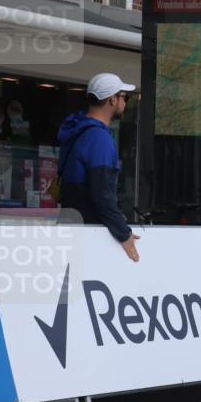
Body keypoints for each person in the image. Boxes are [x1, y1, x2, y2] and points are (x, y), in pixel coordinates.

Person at [58, 73, 140, 262]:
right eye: (124, 97)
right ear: (112, 100)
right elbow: (102, 194)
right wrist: (124, 234)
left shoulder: (78, 130)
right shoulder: (99, 138)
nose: (125, 102)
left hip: (70, 229)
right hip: (89, 235)